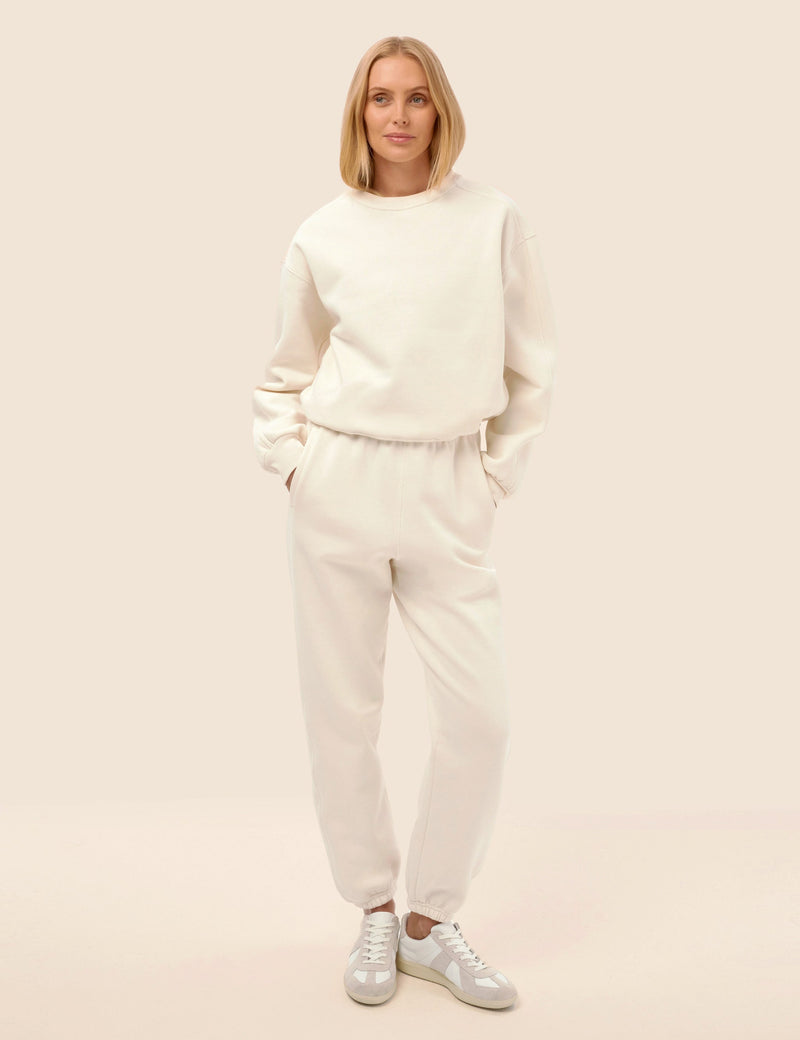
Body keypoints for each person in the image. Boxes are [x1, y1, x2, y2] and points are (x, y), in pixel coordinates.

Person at [252, 35, 557, 1010]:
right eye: (380, 97)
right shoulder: (323, 233)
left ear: (440, 109)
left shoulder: (492, 220)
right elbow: (284, 369)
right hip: (339, 482)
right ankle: (375, 909)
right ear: (358, 112)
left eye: (416, 97)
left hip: (446, 485)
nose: (397, 115)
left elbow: (531, 363)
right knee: (342, 714)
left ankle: (431, 920)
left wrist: (493, 474)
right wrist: (294, 462)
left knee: (480, 718)